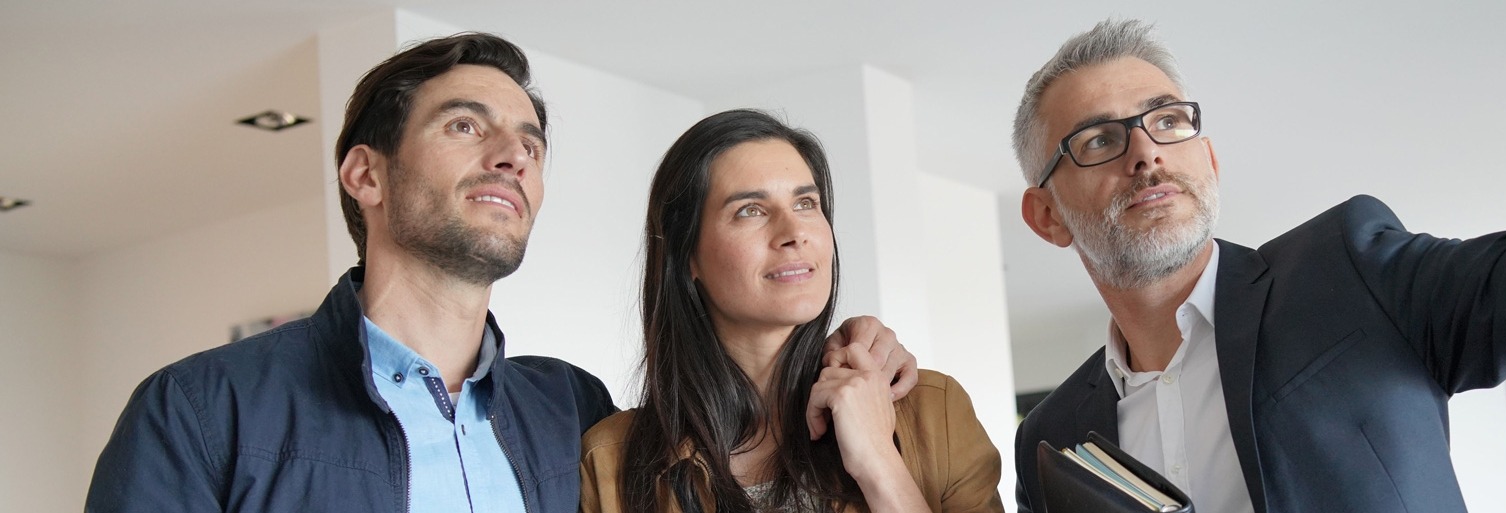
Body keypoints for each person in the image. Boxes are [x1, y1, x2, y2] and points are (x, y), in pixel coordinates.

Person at [86, 34, 919, 513]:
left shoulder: (576, 413)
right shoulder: (200, 413)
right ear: (366, 176)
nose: (513, 152)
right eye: (464, 124)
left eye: (530, 139)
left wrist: (850, 344)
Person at [1009, 1, 1506, 512]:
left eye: (1167, 122)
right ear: (1046, 216)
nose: (1146, 152)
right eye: (1101, 140)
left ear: (1207, 158)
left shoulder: (1349, 273)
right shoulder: (1052, 435)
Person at [579, 109, 1003, 513]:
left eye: (806, 204)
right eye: (751, 211)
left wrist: (879, 464)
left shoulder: (934, 413)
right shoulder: (610, 463)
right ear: (687, 255)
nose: (794, 232)